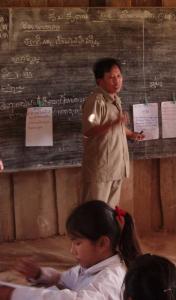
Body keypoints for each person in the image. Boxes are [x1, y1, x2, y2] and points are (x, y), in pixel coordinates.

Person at [0, 200, 142, 300]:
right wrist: (40, 274)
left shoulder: (111, 278)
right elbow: (63, 279)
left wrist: (13, 294)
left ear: (102, 243)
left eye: (78, 243)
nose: (72, 250)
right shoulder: (92, 267)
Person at [82, 58, 144, 208]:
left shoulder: (115, 99)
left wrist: (131, 134)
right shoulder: (96, 101)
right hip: (102, 168)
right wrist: (113, 123)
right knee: (96, 211)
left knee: (110, 211)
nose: (116, 81)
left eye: (119, 76)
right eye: (111, 77)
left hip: (117, 165)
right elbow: (89, 130)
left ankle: (107, 232)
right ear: (100, 81)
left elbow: (116, 127)